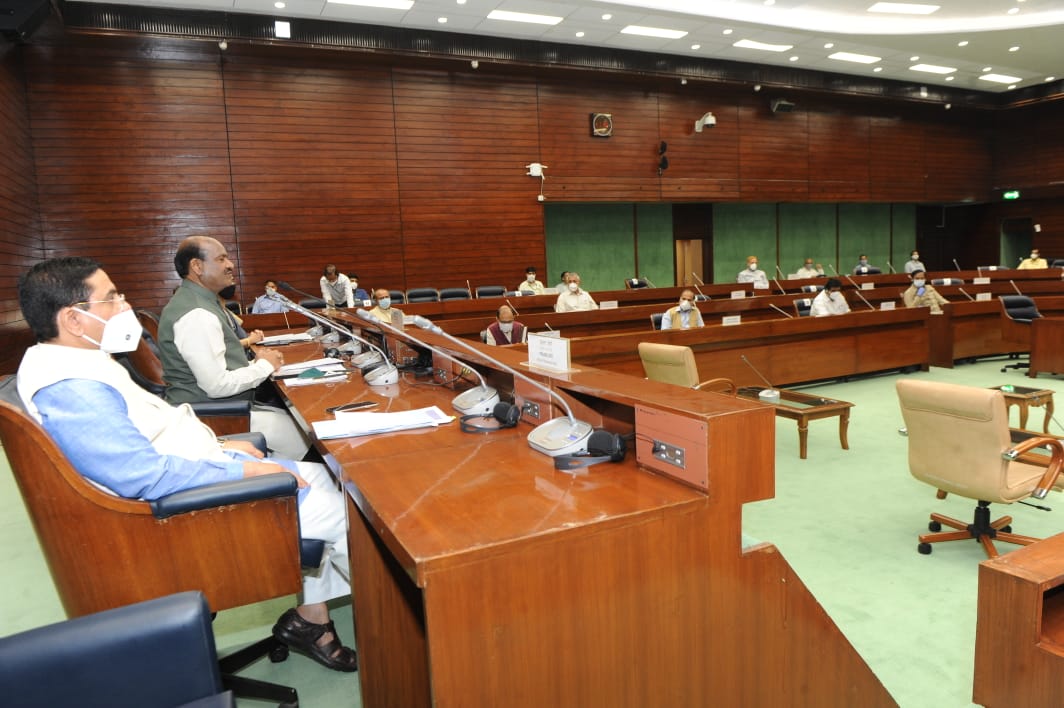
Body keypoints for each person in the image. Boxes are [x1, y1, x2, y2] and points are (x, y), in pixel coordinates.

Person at [14, 256, 357, 673]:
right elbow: (141, 476)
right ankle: (399, 622)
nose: (124, 305)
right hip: (171, 522)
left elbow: (150, 433)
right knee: (356, 513)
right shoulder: (71, 387)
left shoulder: (77, 359)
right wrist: (244, 471)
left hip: (195, 480)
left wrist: (223, 444)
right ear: (73, 317)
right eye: (111, 297)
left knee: (328, 477)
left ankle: (311, 619)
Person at [158, 236, 309, 461]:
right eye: (221, 259)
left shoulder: (200, 302)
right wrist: (264, 366)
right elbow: (216, 385)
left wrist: (256, 364)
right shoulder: (197, 314)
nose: (230, 265)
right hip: (211, 414)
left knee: (297, 417)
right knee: (304, 435)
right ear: (197, 266)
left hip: (221, 405)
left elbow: (217, 365)